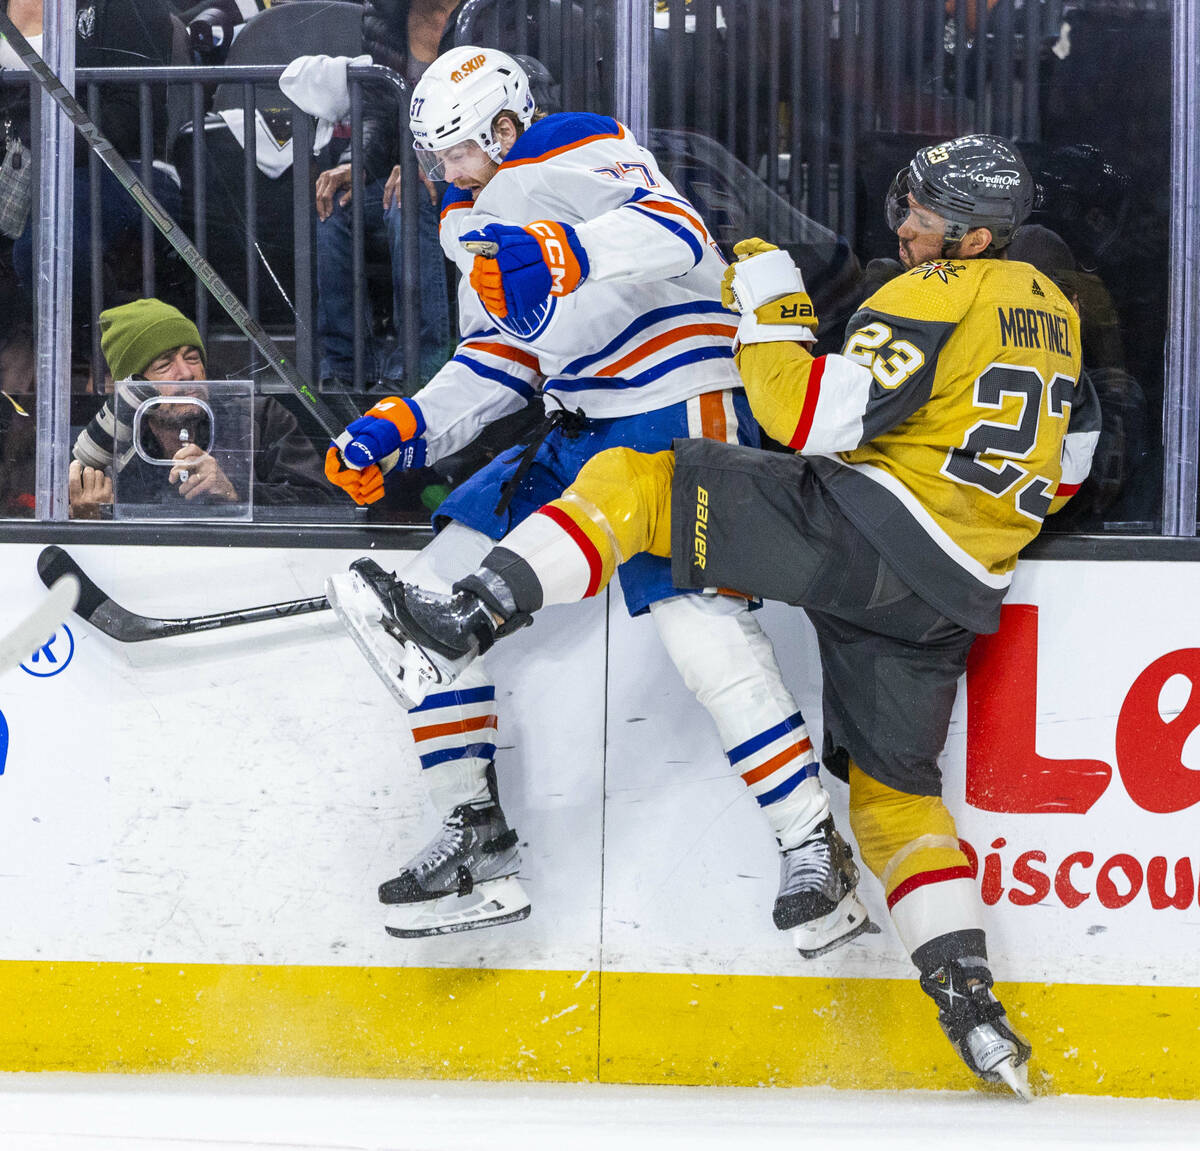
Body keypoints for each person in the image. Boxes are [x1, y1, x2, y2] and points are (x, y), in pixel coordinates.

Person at [332, 134, 1102, 1096]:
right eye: (908, 204)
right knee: (896, 803)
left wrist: (775, 302)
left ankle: (466, 619)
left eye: (928, 219)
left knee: (642, 484)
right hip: (955, 593)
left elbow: (801, 417)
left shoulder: (927, 293)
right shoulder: (1059, 317)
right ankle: (972, 1005)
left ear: (977, 237)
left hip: (866, 534)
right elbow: (1071, 466)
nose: (906, 227)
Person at [323, 45, 872, 958]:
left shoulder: (571, 145)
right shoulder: (469, 224)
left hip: (678, 407)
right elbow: (505, 359)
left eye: (460, 150)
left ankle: (814, 843)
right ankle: (477, 843)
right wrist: (406, 424)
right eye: (436, 159)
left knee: (702, 631)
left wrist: (564, 247)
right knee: (424, 600)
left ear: (505, 124)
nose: (448, 173)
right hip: (578, 424)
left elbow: (680, 233)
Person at [311, 0, 469, 388]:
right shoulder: (385, 17)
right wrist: (356, 162)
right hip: (408, 172)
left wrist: (433, 160)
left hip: (474, 173)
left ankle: (418, 366)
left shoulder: (490, 12)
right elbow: (380, 109)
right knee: (334, 207)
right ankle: (345, 367)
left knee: (408, 202)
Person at [69, 298, 336, 518]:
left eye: (193, 358)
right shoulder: (114, 448)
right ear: (135, 389)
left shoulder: (259, 418)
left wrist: (235, 492)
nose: (187, 373)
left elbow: (323, 507)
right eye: (164, 365)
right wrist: (92, 517)